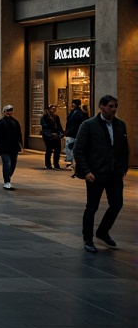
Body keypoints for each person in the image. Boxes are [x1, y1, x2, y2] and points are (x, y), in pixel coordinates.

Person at [75, 95, 128, 253]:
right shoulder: (88, 125)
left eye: (115, 106)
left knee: (117, 204)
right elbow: (79, 150)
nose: (114, 109)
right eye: (111, 106)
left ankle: (103, 231)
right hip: (95, 174)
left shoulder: (120, 125)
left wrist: (123, 167)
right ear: (102, 107)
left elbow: (124, 148)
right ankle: (88, 239)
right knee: (92, 207)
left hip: (114, 174)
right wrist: (86, 171)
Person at [0, 104, 22, 189]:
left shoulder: (15, 122)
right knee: (7, 163)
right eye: (7, 111)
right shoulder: (0, 122)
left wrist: (20, 144)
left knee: (13, 163)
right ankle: (7, 181)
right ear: (4, 112)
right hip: (4, 146)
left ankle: (8, 177)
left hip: (14, 146)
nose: (9, 113)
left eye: (11, 111)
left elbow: (19, 134)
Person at [64, 99, 86, 171]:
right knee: (71, 148)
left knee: (70, 147)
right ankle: (72, 163)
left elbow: (72, 123)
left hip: (72, 133)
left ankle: (71, 163)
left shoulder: (76, 112)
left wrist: (68, 131)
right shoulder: (78, 112)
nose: (71, 105)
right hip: (73, 133)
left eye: (72, 104)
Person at [40, 105, 64, 169]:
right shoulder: (45, 117)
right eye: (52, 109)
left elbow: (59, 126)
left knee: (57, 150)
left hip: (56, 135)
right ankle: (48, 164)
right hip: (48, 136)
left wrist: (61, 133)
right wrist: (50, 132)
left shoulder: (56, 117)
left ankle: (56, 164)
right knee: (49, 150)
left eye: (54, 109)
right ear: (48, 109)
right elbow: (44, 126)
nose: (53, 110)